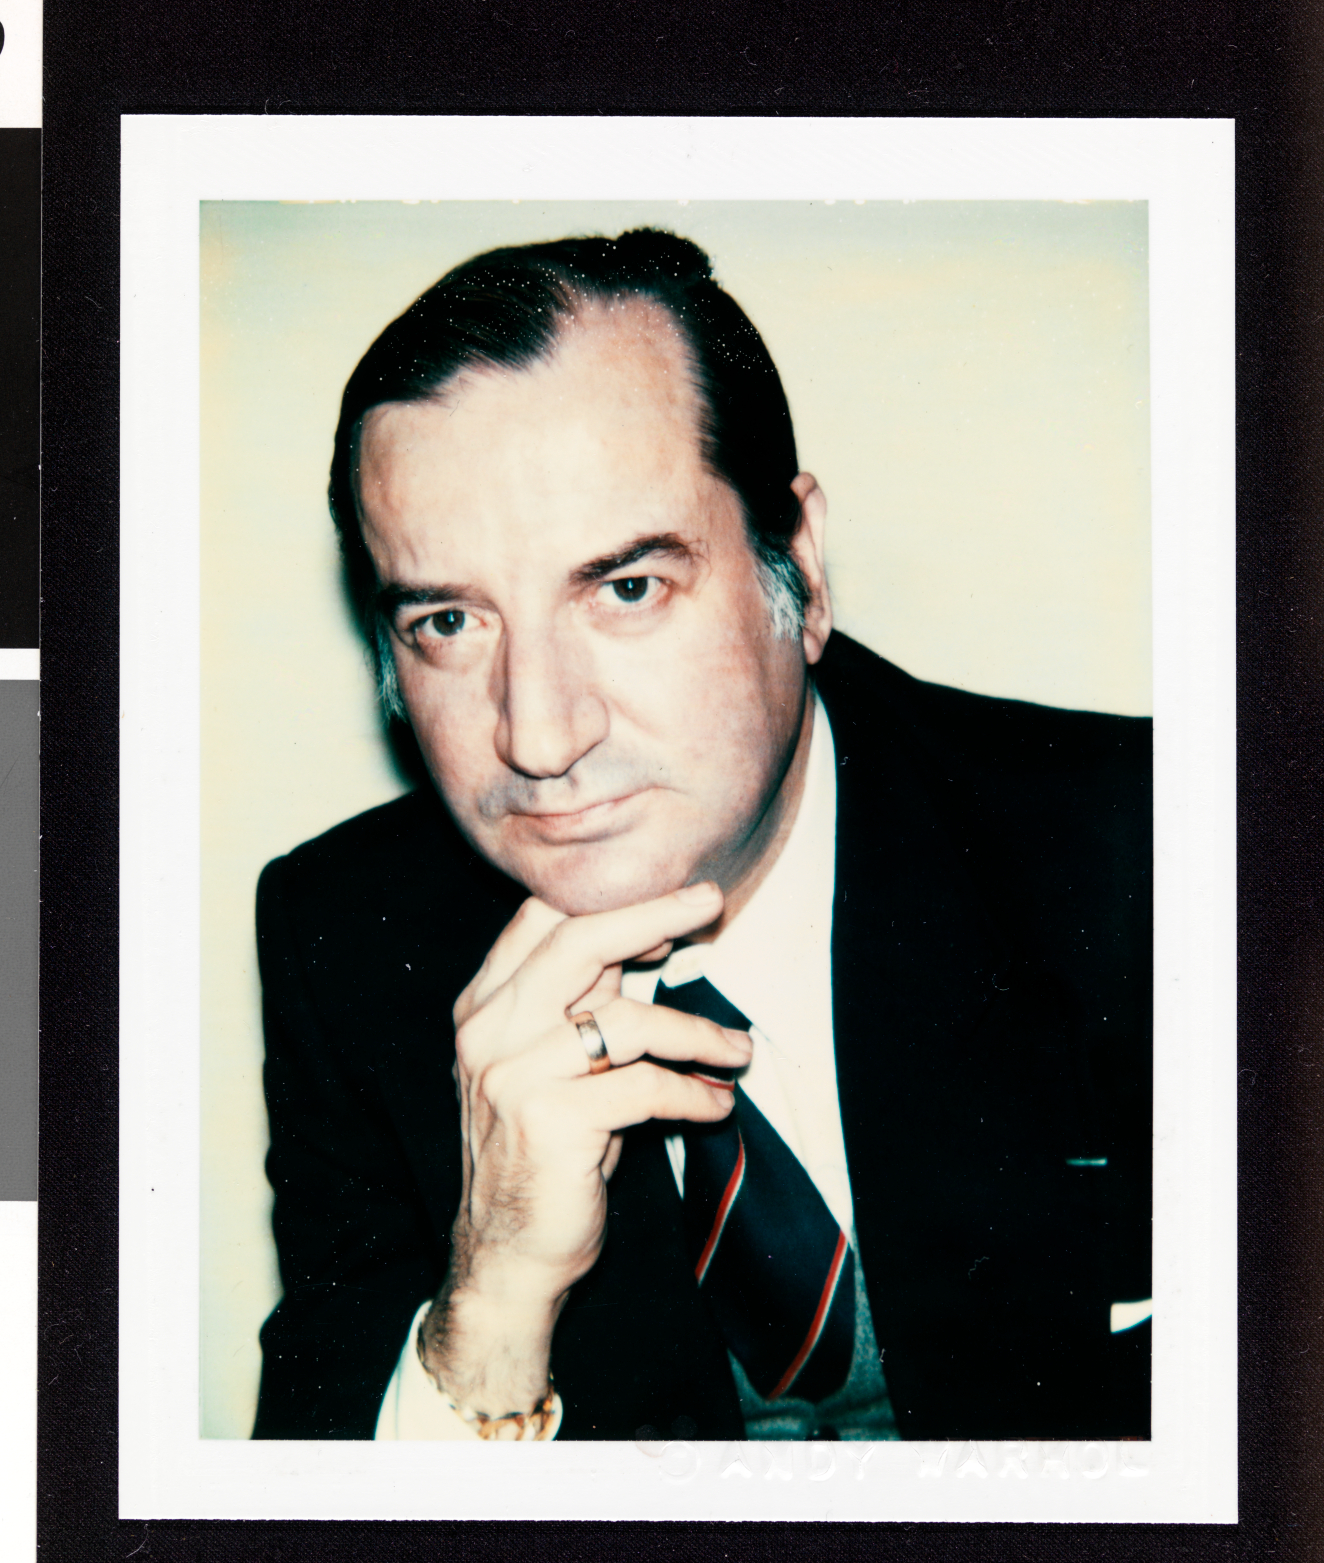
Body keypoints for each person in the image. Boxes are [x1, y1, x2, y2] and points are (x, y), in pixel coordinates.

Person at [252, 229, 1151, 1444]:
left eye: (625, 588)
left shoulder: (1152, 846)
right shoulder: (349, 941)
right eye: (450, 621)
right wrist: (492, 1302)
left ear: (801, 570)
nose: (538, 735)